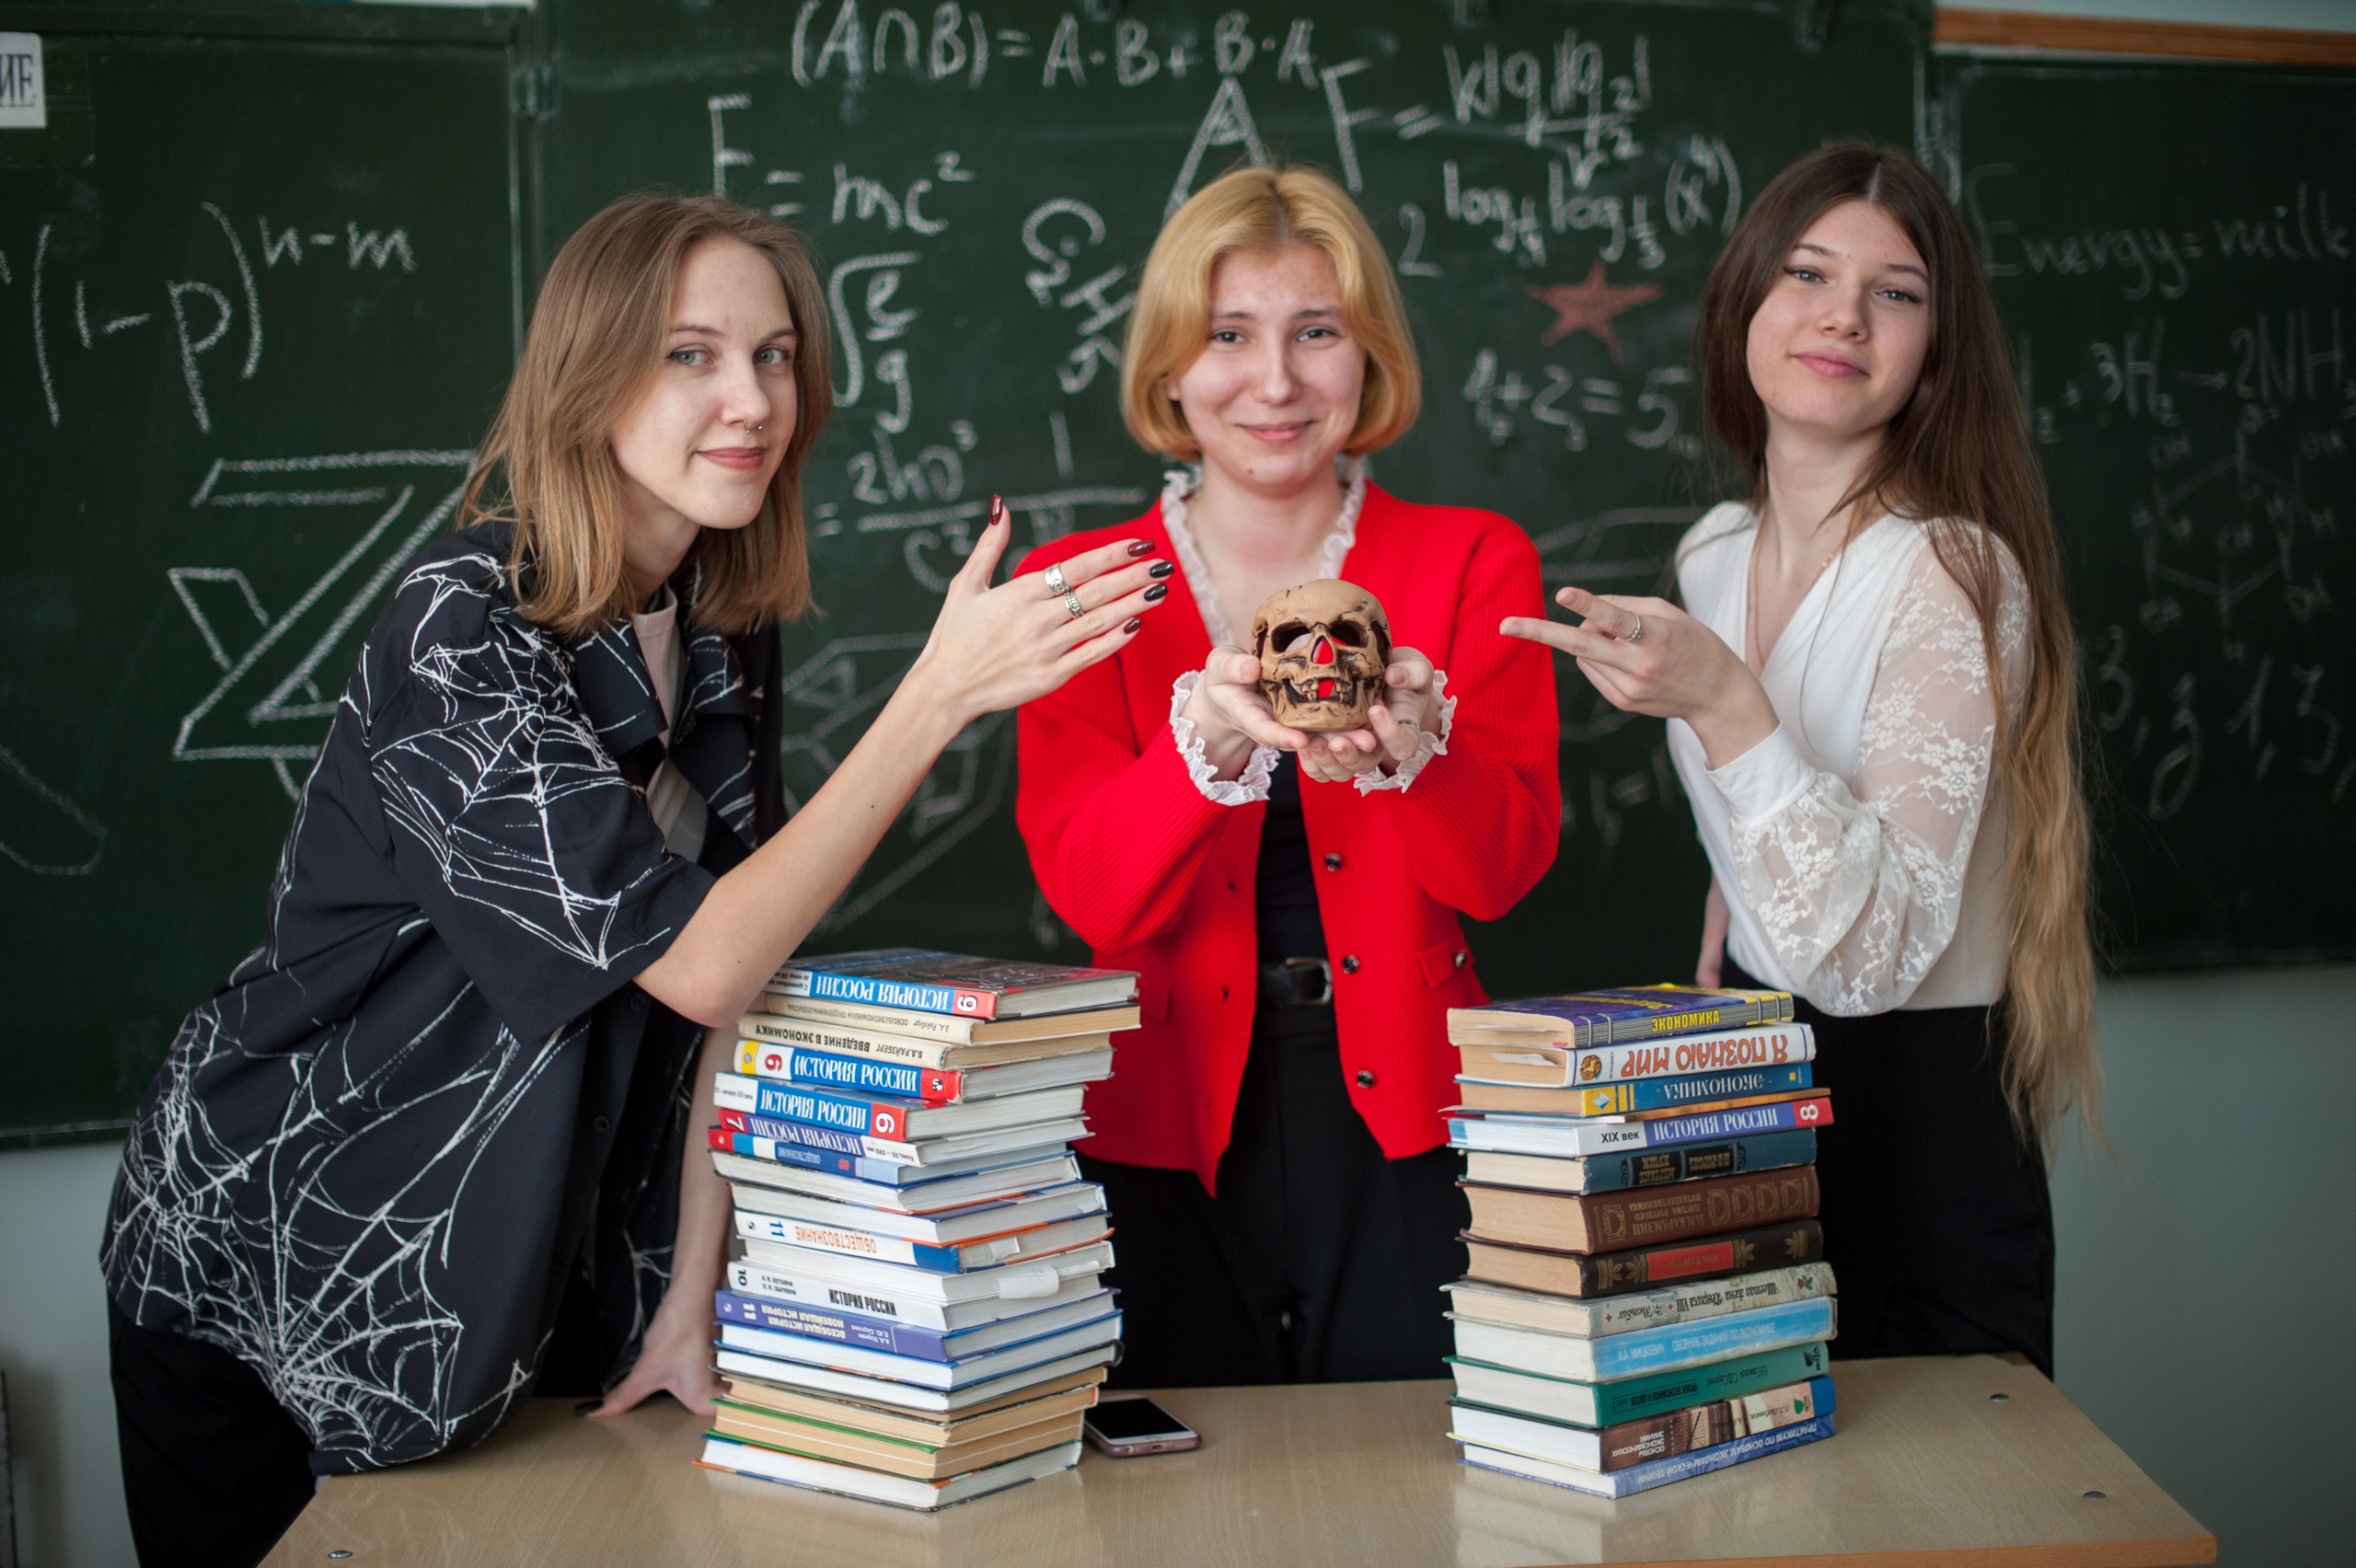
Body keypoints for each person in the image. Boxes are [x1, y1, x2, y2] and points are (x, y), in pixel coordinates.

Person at [100, 194, 1169, 1567]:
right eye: (690, 356)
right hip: (279, 1254)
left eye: (775, 357)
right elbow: (701, 957)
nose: (752, 401)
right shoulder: (463, 623)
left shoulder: (718, 624)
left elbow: (744, 975)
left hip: (528, 1273)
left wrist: (686, 1297)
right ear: (587, 377)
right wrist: (939, 695)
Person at [1503, 143, 2100, 1377]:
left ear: (1937, 347)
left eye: (1896, 291)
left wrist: (1729, 705)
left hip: (1919, 1123)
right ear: (1746, 306)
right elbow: (1766, 828)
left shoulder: (1951, 570)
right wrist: (1733, 924)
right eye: (1809, 273)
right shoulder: (1714, 552)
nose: (1844, 315)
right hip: (1752, 1093)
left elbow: (1873, 964)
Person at [1014, 167, 1561, 1389]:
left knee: (1417, 1466)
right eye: (1227, 336)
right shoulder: (1080, 588)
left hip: (1413, 1122)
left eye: (1316, 332)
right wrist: (1202, 752)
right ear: (1168, 366)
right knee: (1176, 1467)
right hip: (1152, 1126)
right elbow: (1091, 898)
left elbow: (1500, 874)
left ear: (1367, 359)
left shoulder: (1474, 559)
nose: (1274, 383)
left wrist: (1419, 757)